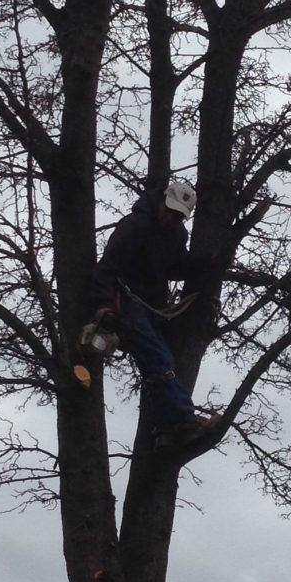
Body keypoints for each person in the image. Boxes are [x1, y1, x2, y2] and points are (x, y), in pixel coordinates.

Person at [88, 180, 211, 448]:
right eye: (170, 211)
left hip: (151, 306)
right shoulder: (135, 226)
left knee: (157, 363)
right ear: (161, 202)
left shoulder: (177, 236)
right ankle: (182, 416)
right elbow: (107, 265)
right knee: (159, 357)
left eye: (178, 216)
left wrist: (206, 263)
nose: (171, 218)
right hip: (125, 299)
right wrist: (103, 305)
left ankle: (165, 429)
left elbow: (174, 267)